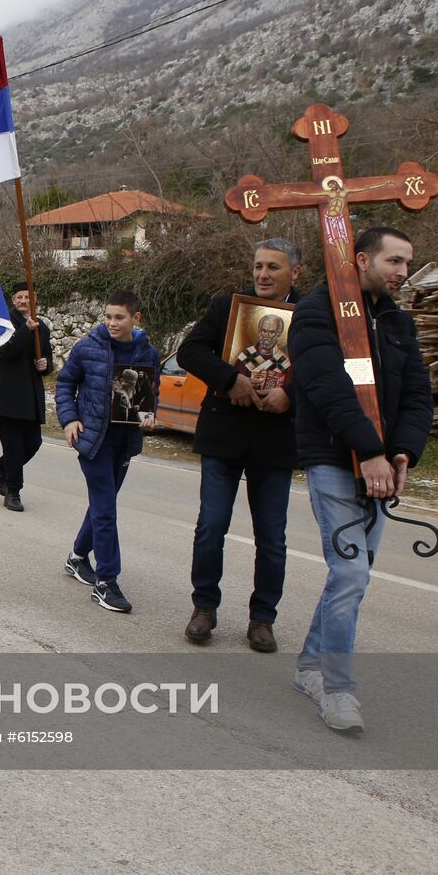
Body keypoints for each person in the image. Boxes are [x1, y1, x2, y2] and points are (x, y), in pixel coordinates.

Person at [288, 226, 432, 732]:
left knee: (354, 573)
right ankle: (337, 688)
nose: (402, 272)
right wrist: (367, 449)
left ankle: (309, 666)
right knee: (349, 572)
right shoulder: (315, 310)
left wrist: (402, 453)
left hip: (380, 464)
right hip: (331, 457)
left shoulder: (397, 321)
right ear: (363, 259)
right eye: (394, 261)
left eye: (407, 262)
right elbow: (326, 385)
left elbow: (417, 395)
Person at [177, 237, 303, 652]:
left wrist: (291, 394)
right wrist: (232, 380)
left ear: (294, 273)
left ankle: (263, 618)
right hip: (225, 433)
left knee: (272, 536)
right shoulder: (227, 309)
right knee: (211, 525)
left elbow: (328, 368)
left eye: (273, 267)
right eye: (258, 266)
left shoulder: (312, 315)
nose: (263, 274)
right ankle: (204, 608)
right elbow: (191, 351)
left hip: (275, 439)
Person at [55, 290, 161, 613]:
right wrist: (69, 419)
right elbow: (64, 383)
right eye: (108, 316)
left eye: (119, 317)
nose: (112, 323)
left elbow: (149, 394)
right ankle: (106, 582)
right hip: (93, 441)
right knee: (106, 509)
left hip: (125, 442)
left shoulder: (148, 353)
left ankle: (76, 557)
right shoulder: (89, 347)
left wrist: (149, 416)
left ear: (135, 319)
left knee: (104, 504)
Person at [0, 280, 52, 512]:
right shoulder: (2, 324)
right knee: (14, 446)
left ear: (34, 300)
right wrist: (26, 331)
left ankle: (1, 466)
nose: (24, 301)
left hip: (31, 396)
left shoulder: (42, 328)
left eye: (28, 297)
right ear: (14, 300)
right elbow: (4, 352)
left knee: (33, 443)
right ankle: (13, 492)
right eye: (20, 297)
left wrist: (45, 365)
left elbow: (46, 360)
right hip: (8, 395)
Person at [234, 313, 292, 391]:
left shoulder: (284, 361)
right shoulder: (246, 355)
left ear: (278, 334)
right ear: (259, 332)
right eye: (264, 331)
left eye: (271, 332)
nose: (267, 336)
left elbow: (286, 391)